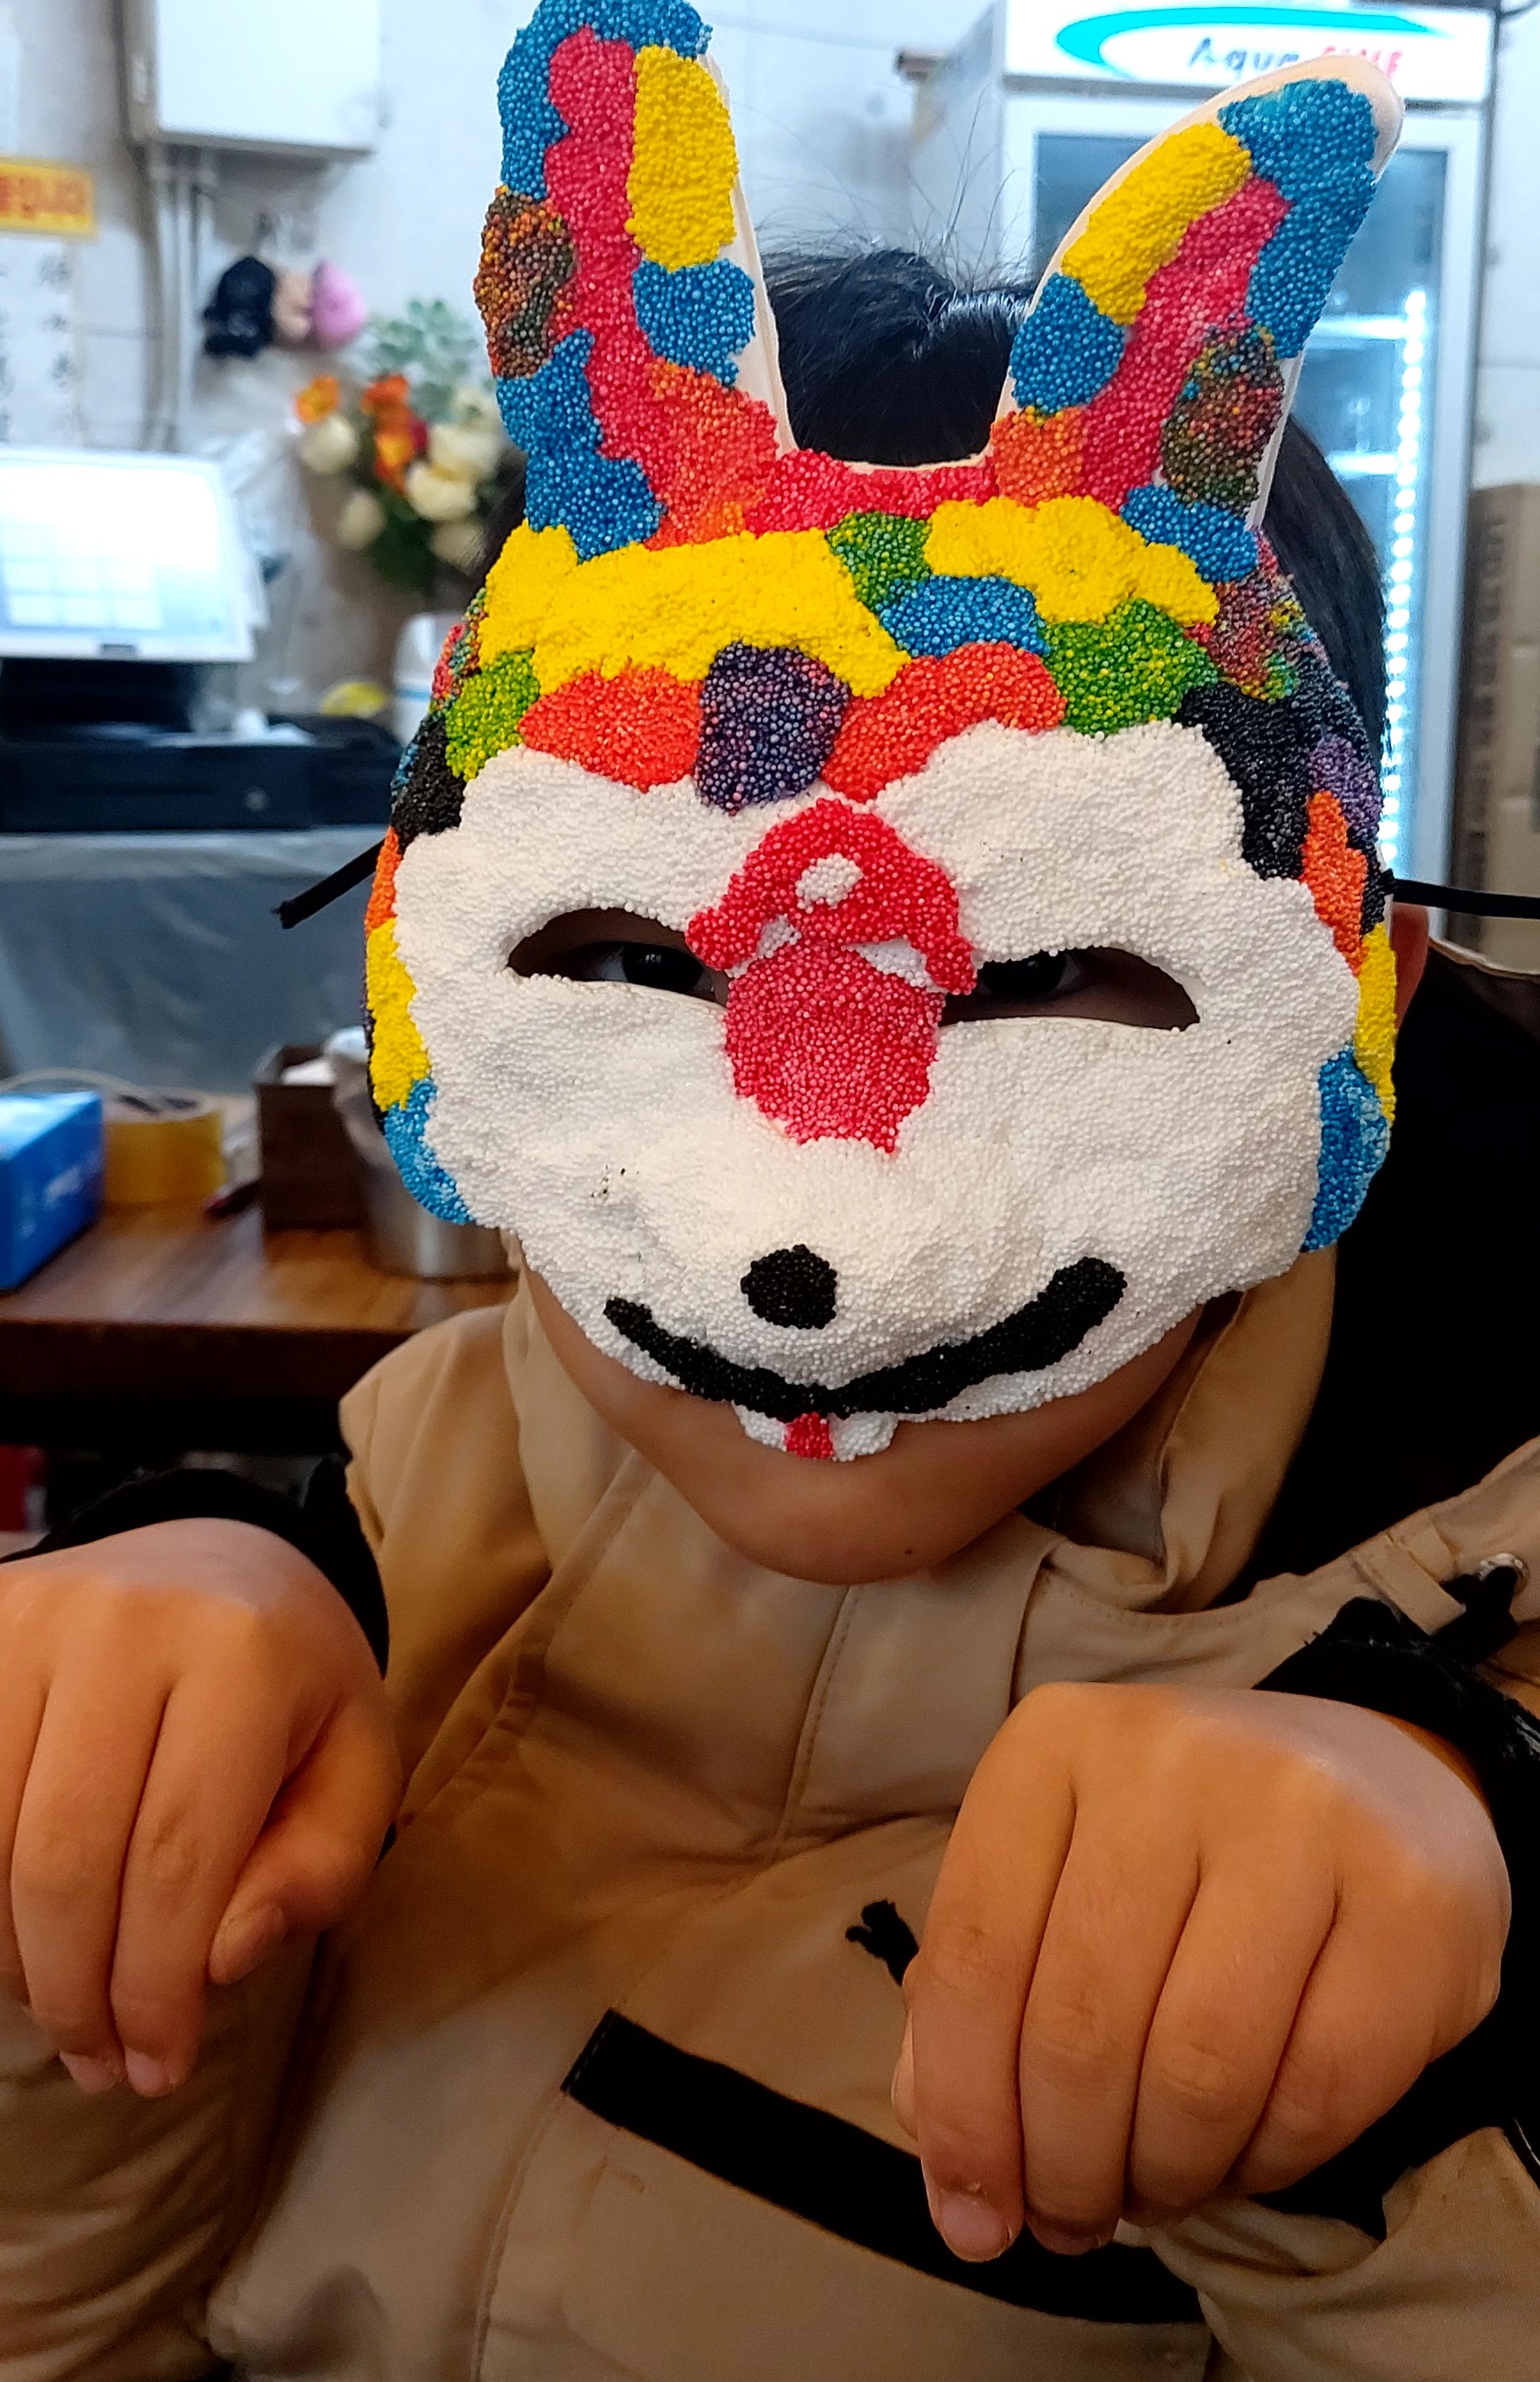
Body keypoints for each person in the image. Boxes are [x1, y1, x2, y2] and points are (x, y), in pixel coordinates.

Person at [4, 23, 1540, 2379]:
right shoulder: (427, 1512)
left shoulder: (1462, 1711)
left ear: (1361, 998)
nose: (805, 1223)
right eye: (632, 959)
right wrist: (75, 1904)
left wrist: (1401, 2059)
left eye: (1056, 971)